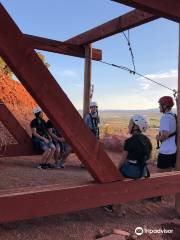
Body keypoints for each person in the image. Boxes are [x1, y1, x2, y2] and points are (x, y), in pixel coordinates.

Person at [104, 114, 152, 213]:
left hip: (132, 171)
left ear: (136, 126)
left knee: (115, 178)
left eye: (130, 124)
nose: (128, 126)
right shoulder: (147, 140)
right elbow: (149, 158)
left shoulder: (129, 141)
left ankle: (111, 205)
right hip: (143, 171)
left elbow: (122, 160)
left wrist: (116, 170)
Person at [156, 96, 176, 172]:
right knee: (168, 174)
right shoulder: (173, 116)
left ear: (165, 106)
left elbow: (165, 135)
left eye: (160, 105)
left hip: (165, 151)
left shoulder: (165, 117)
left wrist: (158, 138)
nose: (159, 107)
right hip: (173, 150)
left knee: (160, 176)